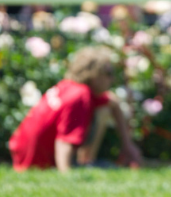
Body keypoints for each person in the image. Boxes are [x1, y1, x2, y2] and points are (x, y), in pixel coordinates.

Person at [8, 46, 142, 172]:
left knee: (105, 109)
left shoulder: (68, 87)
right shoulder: (80, 95)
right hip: (39, 163)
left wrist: (128, 146)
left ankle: (85, 160)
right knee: (110, 167)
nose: (112, 79)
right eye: (108, 73)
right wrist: (65, 173)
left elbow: (113, 102)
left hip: (22, 156)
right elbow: (64, 141)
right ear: (94, 74)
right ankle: (85, 161)